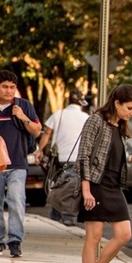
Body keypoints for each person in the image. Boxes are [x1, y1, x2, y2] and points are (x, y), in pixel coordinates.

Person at [76, 84, 132, 263]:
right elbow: (84, 155)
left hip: (113, 186)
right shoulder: (96, 120)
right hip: (95, 185)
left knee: (124, 234)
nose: (131, 113)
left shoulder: (120, 126)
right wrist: (86, 190)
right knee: (93, 238)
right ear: (117, 103)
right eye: (129, 108)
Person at [0, 70, 42, 258]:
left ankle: (15, 240)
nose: (8, 91)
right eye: (5, 87)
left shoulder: (23, 105)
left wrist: (23, 117)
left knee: (17, 201)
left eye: (12, 87)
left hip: (18, 163)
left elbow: (36, 130)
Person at [40, 89, 89, 226]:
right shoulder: (86, 117)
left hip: (60, 157)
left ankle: (55, 214)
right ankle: (67, 216)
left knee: (58, 185)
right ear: (81, 103)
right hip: (78, 157)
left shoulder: (58, 114)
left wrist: (39, 150)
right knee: (71, 187)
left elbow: (47, 133)